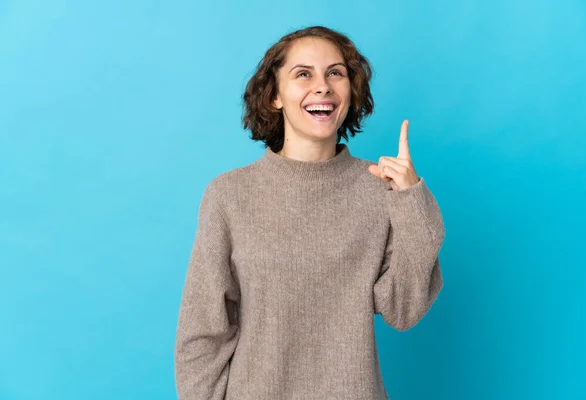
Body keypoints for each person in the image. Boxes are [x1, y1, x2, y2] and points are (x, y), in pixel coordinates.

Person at [174, 25, 446, 400]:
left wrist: (412, 200)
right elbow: (202, 332)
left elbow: (403, 310)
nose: (323, 86)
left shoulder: (380, 191)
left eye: (336, 73)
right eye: (303, 74)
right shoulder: (229, 195)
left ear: (350, 91)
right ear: (274, 96)